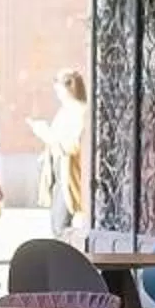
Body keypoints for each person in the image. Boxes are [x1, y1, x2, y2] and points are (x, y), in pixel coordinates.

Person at [30, 68, 88, 235]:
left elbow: (74, 144)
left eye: (58, 90)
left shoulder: (80, 111)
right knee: (56, 220)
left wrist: (46, 135)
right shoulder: (64, 110)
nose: (57, 94)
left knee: (61, 225)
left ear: (69, 87)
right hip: (57, 169)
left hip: (68, 173)